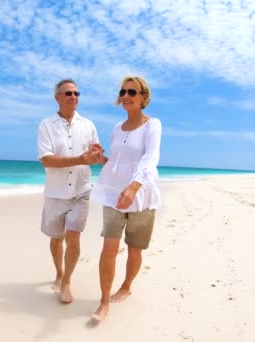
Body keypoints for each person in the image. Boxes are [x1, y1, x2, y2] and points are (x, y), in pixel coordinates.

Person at [90, 76, 162, 321]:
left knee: (134, 249)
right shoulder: (116, 128)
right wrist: (102, 160)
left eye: (133, 91)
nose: (127, 95)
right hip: (114, 195)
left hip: (141, 195)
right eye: (123, 91)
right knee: (109, 247)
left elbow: (149, 160)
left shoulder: (153, 125)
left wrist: (132, 189)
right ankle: (103, 301)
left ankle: (126, 286)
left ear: (144, 97)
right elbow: (118, 165)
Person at [37, 78, 106, 304]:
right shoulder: (46, 125)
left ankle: (67, 280)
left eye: (77, 93)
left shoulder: (88, 125)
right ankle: (58, 273)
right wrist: (80, 158)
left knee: (73, 237)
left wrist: (98, 156)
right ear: (57, 98)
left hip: (81, 190)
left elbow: (94, 157)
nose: (74, 97)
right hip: (55, 193)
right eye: (68, 94)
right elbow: (46, 160)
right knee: (56, 238)